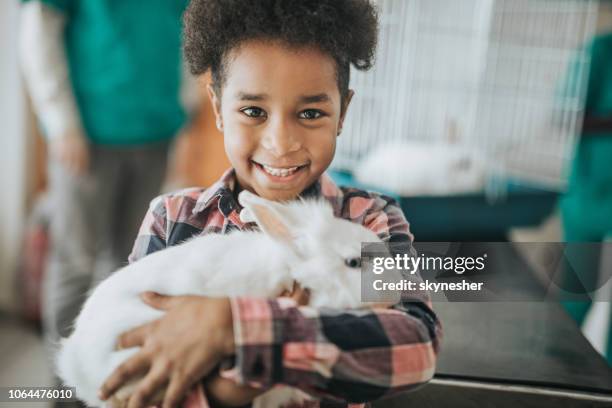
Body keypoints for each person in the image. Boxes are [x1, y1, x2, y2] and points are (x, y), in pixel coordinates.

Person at [97, 1, 443, 407]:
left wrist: (238, 327)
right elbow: (136, 366)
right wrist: (230, 390)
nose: (280, 143)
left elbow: (416, 347)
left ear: (342, 112)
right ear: (218, 109)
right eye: (253, 111)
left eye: (311, 112)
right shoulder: (172, 219)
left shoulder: (371, 218)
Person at [18, 0, 198, 402]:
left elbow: (184, 27)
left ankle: (104, 380)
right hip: (88, 134)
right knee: (75, 261)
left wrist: (186, 107)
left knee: (128, 265)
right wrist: (61, 122)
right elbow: (39, 30)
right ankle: (64, 388)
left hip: (156, 129)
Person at [560, 31, 612, 366]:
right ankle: (556, 374)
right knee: (576, 294)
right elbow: (568, 117)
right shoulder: (601, 51)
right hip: (590, 192)